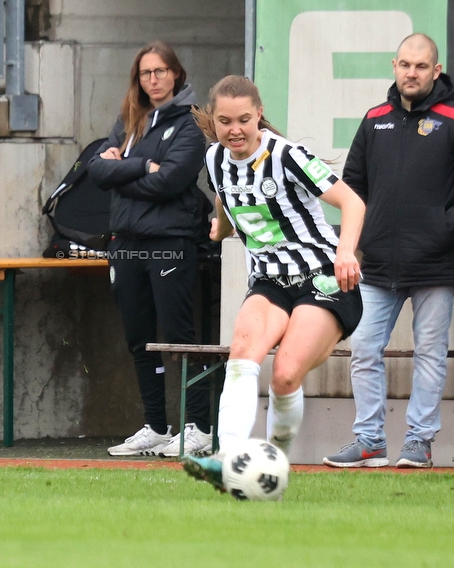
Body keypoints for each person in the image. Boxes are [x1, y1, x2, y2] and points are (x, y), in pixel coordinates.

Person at [180, 75, 366, 491]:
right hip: (269, 281)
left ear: (258, 114)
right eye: (225, 121)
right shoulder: (214, 160)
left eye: (244, 119)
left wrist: (347, 251)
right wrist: (222, 227)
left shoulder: (286, 156)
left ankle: (274, 462)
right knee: (243, 355)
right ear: (214, 120)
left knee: (284, 375)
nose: (235, 130)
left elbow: (353, 202)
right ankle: (227, 460)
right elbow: (225, 198)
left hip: (323, 278)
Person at [323, 34, 454, 470]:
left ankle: (419, 441)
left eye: (421, 66)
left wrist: (442, 231)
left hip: (434, 263)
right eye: (404, 65)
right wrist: (355, 243)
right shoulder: (375, 118)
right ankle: (369, 441)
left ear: (436, 71)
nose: (411, 73)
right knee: (362, 347)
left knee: (430, 353)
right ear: (394, 66)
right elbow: (352, 190)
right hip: (377, 265)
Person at [87, 42, 213, 458]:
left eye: (160, 71)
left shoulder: (193, 123)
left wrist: (121, 169)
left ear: (176, 74)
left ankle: (198, 427)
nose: (153, 80)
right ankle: (157, 427)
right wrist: (141, 166)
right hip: (126, 244)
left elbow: (173, 182)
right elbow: (97, 169)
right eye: (145, 73)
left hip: (170, 243)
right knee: (139, 339)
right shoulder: (130, 120)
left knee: (180, 339)